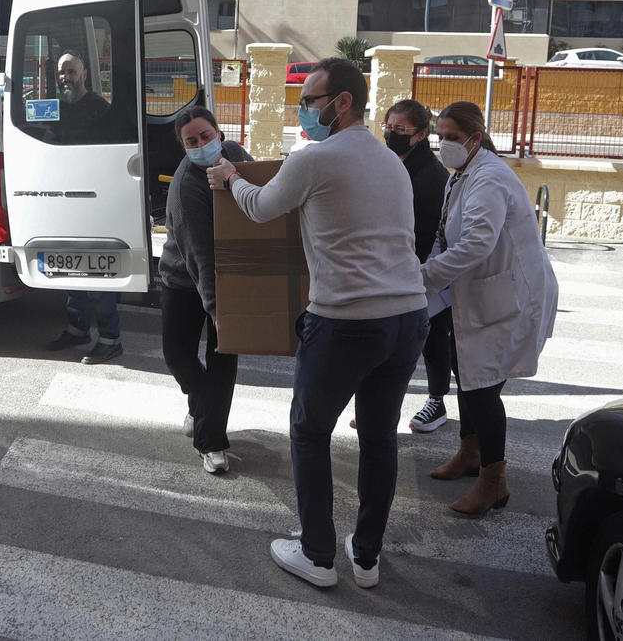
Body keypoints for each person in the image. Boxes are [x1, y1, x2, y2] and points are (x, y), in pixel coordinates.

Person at [207, 58, 429, 590]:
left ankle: (317, 555)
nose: (303, 110)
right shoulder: (390, 161)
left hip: (346, 321)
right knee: (379, 438)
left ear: (343, 101)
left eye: (309, 100)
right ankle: (367, 558)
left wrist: (230, 176)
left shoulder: (317, 158)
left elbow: (261, 208)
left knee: (309, 433)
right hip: (407, 318)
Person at [419, 101, 558, 517]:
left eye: (452, 138)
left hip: (511, 296)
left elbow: (476, 244)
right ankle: (469, 454)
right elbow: (446, 234)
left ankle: (494, 482)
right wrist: (425, 271)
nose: (444, 145)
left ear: (475, 139)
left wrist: (424, 277)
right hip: (481, 294)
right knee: (469, 374)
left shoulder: (490, 177)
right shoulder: (461, 174)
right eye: (439, 137)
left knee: (482, 388)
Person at [159, 107, 252, 475]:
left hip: (230, 273)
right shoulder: (185, 188)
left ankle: (210, 441)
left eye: (206, 136)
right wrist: (218, 313)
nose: (201, 145)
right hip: (184, 278)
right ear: (183, 147)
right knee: (177, 356)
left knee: (222, 360)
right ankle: (199, 404)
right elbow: (200, 258)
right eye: (191, 142)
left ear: (218, 132)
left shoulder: (238, 156)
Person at [44, 50, 122, 364]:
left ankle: (110, 338)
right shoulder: (54, 109)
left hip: (93, 202)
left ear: (85, 74)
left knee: (96, 271)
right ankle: (77, 330)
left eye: (72, 71)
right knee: (69, 267)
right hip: (63, 201)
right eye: (62, 72)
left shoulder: (102, 110)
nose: (66, 77)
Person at [384, 99, 454, 433]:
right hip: (396, 265)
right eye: (388, 126)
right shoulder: (394, 162)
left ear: (422, 134)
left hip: (424, 268)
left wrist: (417, 276)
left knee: (433, 336)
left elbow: (423, 235)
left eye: (401, 129)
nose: (392, 133)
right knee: (394, 338)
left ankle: (437, 402)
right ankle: (383, 404)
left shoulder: (429, 177)